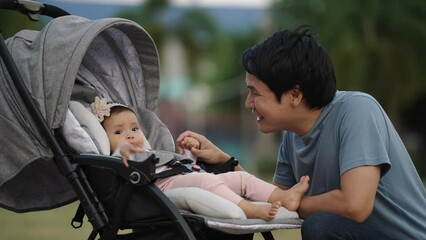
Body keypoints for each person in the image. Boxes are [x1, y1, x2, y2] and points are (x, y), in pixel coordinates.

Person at [176, 26, 426, 240]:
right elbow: (272, 202)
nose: (248, 104)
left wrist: (294, 202)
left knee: (321, 227)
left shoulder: (358, 111)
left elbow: (355, 205)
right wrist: (224, 161)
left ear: (295, 95)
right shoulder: (292, 136)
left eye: (255, 93)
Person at [90, 97, 310, 221]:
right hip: (164, 187)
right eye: (118, 133)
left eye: (134, 129)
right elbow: (123, 159)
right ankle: (249, 209)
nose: (128, 135)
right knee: (206, 182)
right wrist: (124, 150)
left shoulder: (151, 151)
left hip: (188, 175)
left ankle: (284, 195)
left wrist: (185, 153)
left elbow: (178, 164)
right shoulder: (117, 158)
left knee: (242, 178)